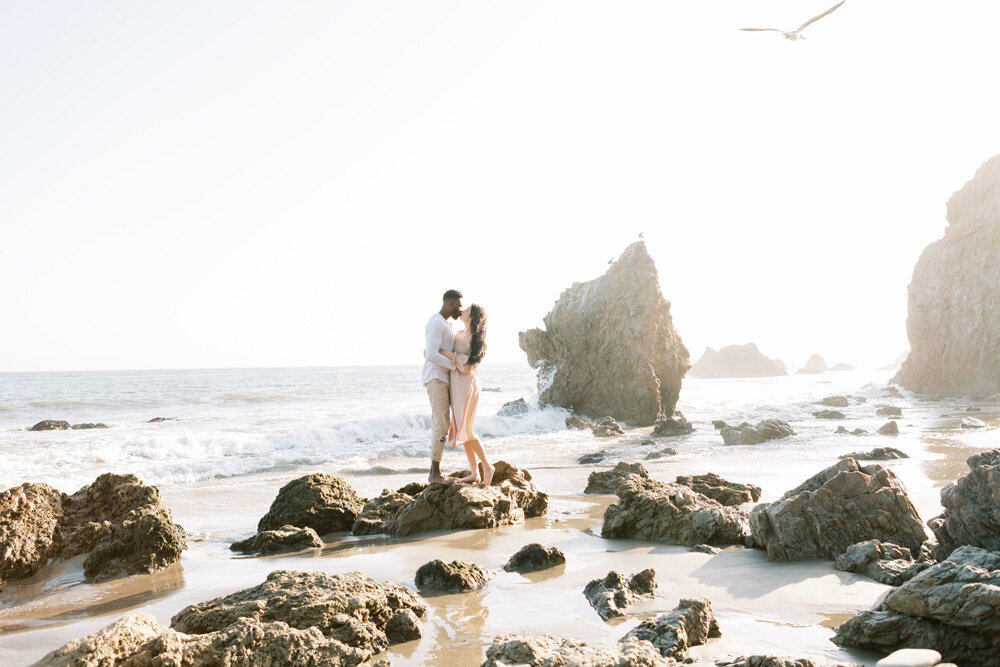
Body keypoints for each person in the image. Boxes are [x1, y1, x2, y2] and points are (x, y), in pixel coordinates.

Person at [440, 304, 493, 485]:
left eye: (467, 309)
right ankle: (474, 473)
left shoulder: (475, 338)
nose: (462, 310)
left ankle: (487, 466)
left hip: (468, 383)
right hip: (457, 383)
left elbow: (469, 365)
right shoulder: (459, 332)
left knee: (467, 428)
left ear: (473, 316)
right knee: (462, 428)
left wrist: (445, 353)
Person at [422, 289, 462, 485]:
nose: (460, 309)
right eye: (458, 305)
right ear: (450, 304)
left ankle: (436, 471)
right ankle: (434, 474)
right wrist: (454, 365)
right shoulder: (436, 322)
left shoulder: (446, 323)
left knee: (443, 422)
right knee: (441, 422)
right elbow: (430, 354)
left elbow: (437, 350)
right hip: (436, 377)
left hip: (442, 378)